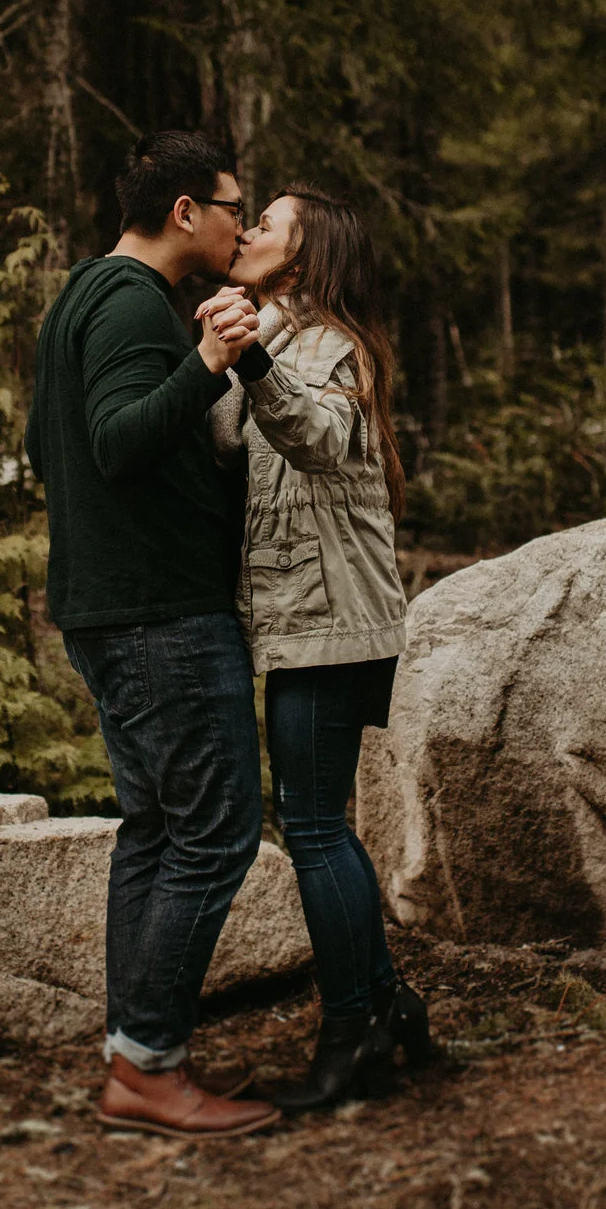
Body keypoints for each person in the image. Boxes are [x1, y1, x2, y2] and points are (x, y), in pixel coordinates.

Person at [25, 130, 283, 1140]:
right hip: (157, 613)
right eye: (231, 205)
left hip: (109, 605)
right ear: (186, 211)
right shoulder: (136, 303)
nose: (238, 222)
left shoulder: (85, 292)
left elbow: (54, 445)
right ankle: (147, 1065)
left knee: (156, 829)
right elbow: (115, 440)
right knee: (216, 834)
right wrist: (213, 361)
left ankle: (132, 1047)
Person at [201, 187, 432, 1111]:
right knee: (316, 822)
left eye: (267, 223)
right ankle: (389, 1005)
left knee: (311, 826)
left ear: (303, 259)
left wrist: (247, 351)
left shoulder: (332, 345)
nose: (247, 231)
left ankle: (351, 1031)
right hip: (300, 620)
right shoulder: (272, 337)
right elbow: (223, 442)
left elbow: (320, 438)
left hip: (334, 622)